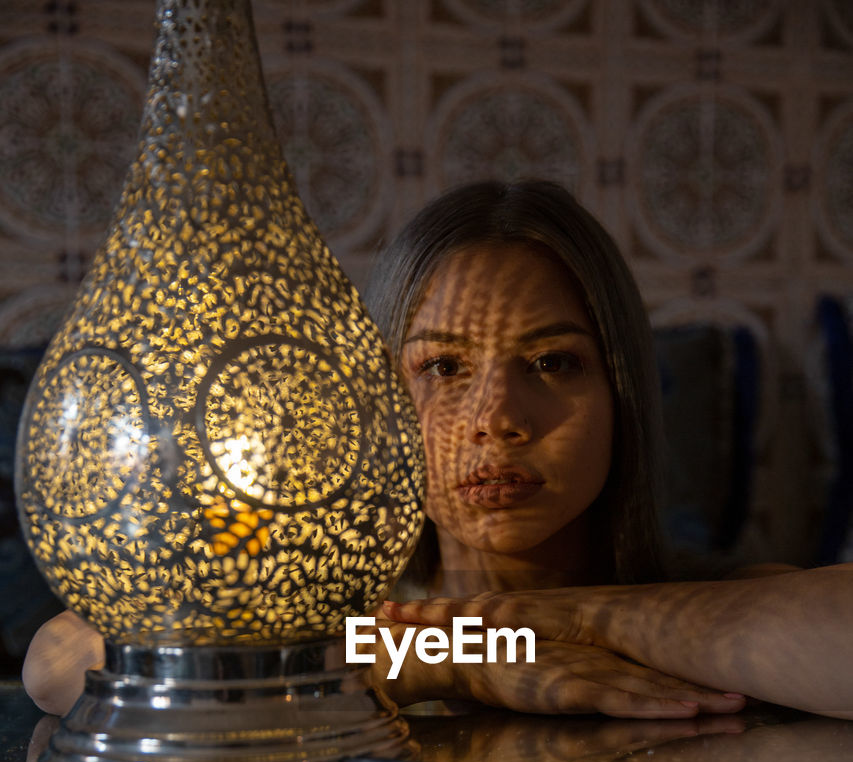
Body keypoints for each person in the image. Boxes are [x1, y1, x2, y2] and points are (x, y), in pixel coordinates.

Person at [22, 181, 853, 719]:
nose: (494, 418)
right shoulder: (335, 608)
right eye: (443, 368)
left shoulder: (711, 599)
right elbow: (60, 660)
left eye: (552, 362)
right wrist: (447, 656)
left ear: (623, 399)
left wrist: (524, 622)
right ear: (383, 401)